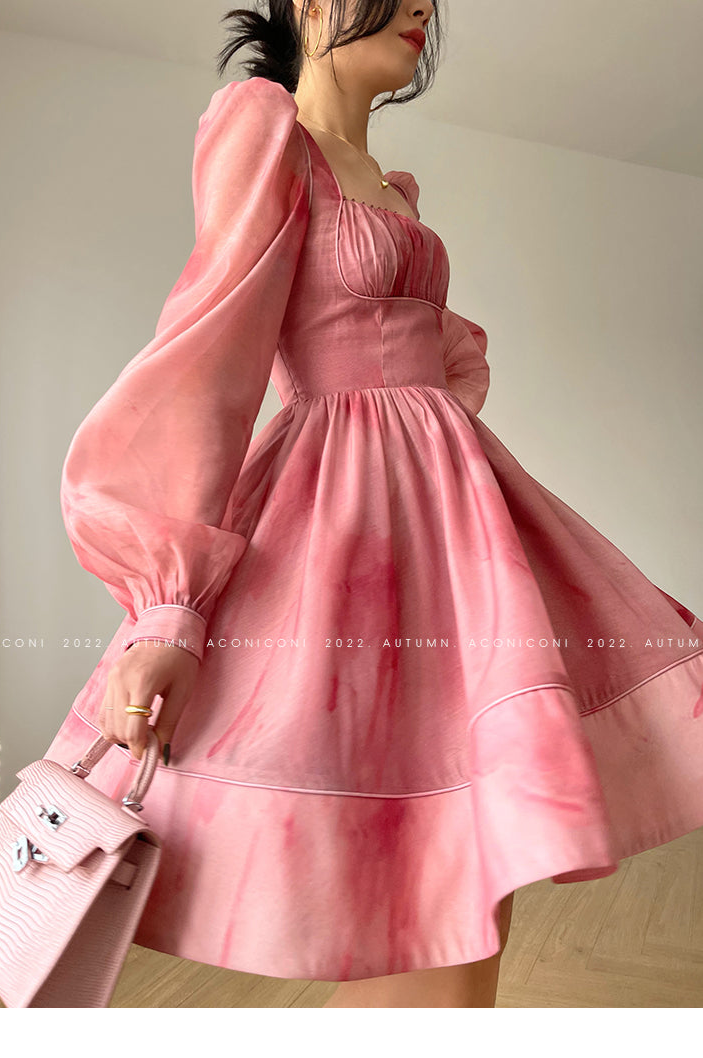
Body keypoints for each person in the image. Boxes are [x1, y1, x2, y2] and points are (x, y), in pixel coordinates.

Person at [43, 0, 703, 1008]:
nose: (425, 9)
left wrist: (430, 440)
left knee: (467, 887)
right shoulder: (264, 130)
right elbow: (209, 358)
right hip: (341, 536)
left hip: (451, 526)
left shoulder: (392, 189)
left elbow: (439, 357)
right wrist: (168, 606)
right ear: (309, 2)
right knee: (410, 889)